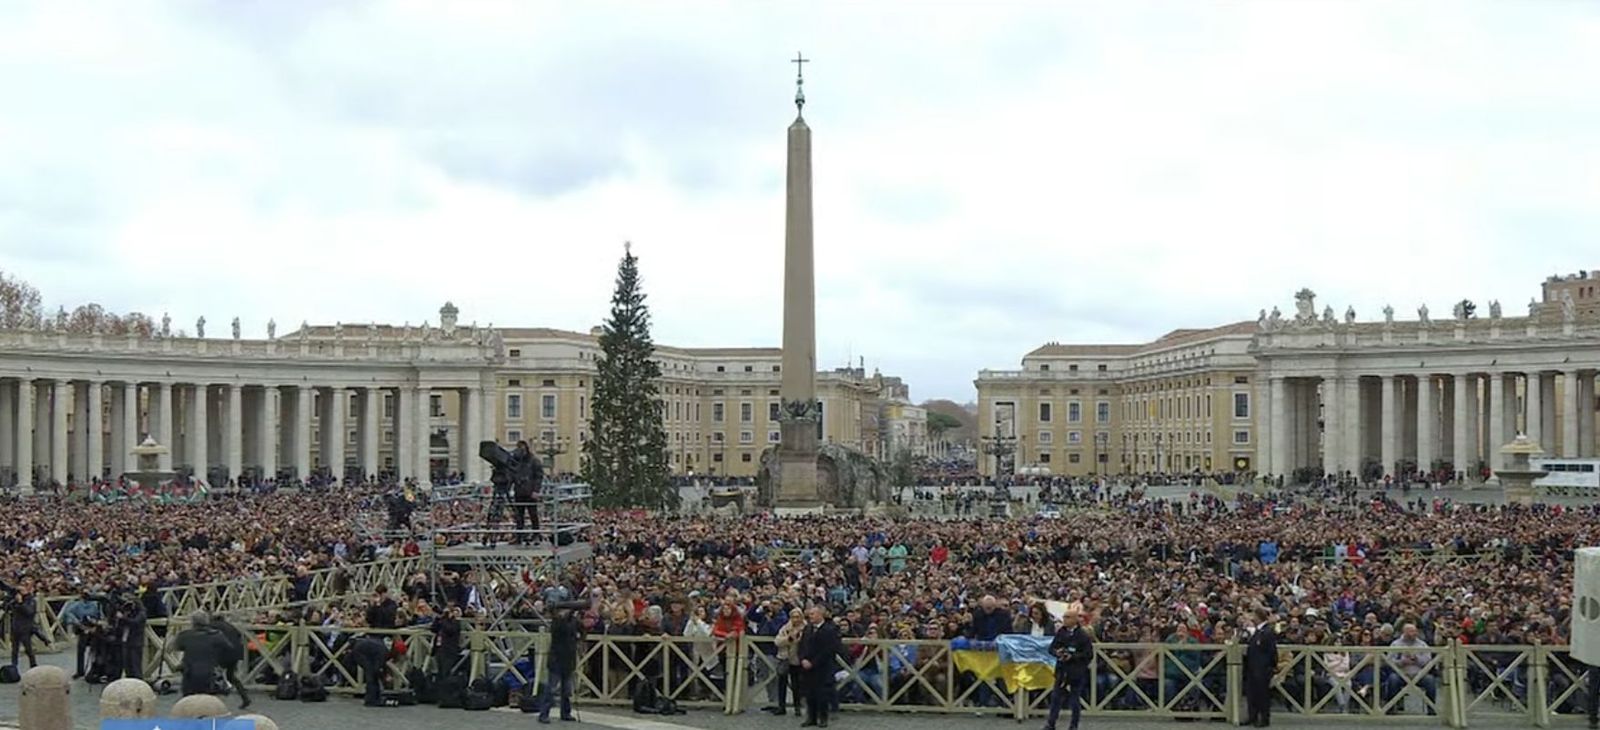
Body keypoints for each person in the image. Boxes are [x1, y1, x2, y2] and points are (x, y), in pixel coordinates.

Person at [1044, 611, 1093, 730]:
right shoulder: (1061, 632)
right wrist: (1057, 652)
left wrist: (1073, 656)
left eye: (1067, 617)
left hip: (1076, 672)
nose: (1064, 620)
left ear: (1075, 619)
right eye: (1064, 617)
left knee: (1074, 700)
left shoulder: (1083, 635)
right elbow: (1051, 648)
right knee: (1055, 699)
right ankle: (1051, 724)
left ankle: (1073, 725)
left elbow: (1088, 655)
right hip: (1062, 670)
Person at [799, 605, 843, 728]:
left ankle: (823, 718)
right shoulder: (807, 629)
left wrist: (813, 662)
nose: (810, 616)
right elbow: (802, 645)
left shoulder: (829, 629)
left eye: (813, 614)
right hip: (807, 666)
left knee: (822, 695)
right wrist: (803, 659)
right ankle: (811, 717)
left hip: (822, 667)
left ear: (820, 615)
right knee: (810, 694)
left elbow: (828, 650)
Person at [540, 605, 584, 723]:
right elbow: (560, 629)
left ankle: (565, 712)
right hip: (557, 659)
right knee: (551, 688)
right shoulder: (557, 622)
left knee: (567, 689)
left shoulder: (574, 621)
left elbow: (583, 630)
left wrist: (579, 638)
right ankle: (544, 713)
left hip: (569, 659)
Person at [174, 611, 228, 697]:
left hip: (189, 673)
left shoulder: (184, 635)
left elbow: (178, 647)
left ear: (192, 622)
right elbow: (227, 647)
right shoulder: (217, 635)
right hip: (210, 672)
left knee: (189, 699)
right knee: (208, 699)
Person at [210, 611, 252, 709]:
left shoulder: (212, 626)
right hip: (234, 653)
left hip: (221, 654)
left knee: (211, 674)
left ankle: (213, 701)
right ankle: (245, 698)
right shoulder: (230, 626)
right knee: (231, 676)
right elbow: (239, 636)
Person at [1244, 607, 1278, 728]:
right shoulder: (1258, 631)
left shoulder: (1268, 631)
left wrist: (1271, 667)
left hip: (1262, 668)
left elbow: (1272, 651)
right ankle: (1252, 716)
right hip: (1252, 667)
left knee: (1262, 695)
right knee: (1252, 693)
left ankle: (1264, 719)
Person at [60, 590, 105, 679]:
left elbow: (101, 615)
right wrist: (76, 622)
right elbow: (68, 612)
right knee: (81, 650)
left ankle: (94, 670)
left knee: (95, 651)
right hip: (82, 628)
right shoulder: (77, 605)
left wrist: (96, 625)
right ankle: (80, 671)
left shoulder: (96, 604)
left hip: (94, 628)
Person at [511, 440, 543, 542]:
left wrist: (536, 490)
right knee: (519, 515)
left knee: (533, 514)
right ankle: (519, 535)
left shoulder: (534, 461)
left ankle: (536, 535)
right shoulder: (516, 461)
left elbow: (539, 477)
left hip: (530, 492)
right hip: (519, 491)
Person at [6, 580, 41, 670]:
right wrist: (11, 600)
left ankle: (33, 665)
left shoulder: (31, 600)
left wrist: (21, 603)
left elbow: (29, 612)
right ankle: (14, 666)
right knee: (14, 650)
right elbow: (6, 607)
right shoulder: (14, 600)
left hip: (26, 627)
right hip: (15, 627)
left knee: (28, 649)